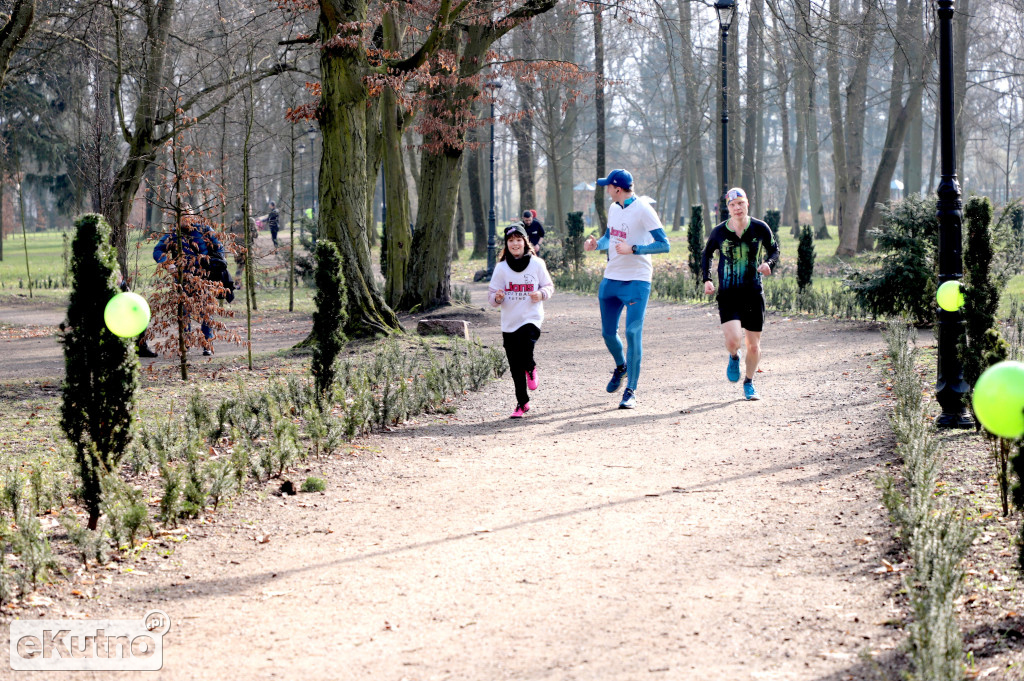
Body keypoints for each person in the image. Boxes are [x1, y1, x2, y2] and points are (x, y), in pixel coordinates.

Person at [583, 169, 670, 409]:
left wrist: (635, 249)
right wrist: (595, 244)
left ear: (617, 188)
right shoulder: (613, 208)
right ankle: (621, 366)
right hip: (611, 278)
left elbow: (664, 244)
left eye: (607, 187)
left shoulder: (643, 209)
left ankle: (631, 390)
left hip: (637, 281)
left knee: (632, 333)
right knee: (608, 334)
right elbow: (609, 237)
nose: (606, 190)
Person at [701, 187, 780, 401]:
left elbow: (774, 249)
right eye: (733, 205)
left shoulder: (760, 228)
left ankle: (749, 382)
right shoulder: (719, 232)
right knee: (734, 340)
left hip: (753, 293)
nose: (737, 208)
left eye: (741, 203)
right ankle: (733, 356)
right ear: (728, 208)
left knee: (753, 346)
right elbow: (707, 254)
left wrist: (768, 263)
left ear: (747, 204)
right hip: (728, 294)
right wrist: (707, 279)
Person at [488, 223, 554, 418]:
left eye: (518, 240)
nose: (515, 244)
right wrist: (498, 298)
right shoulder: (501, 268)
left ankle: (531, 367)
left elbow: (549, 287)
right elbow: (492, 298)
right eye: (511, 240)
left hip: (530, 318)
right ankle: (522, 403)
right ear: (506, 244)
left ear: (525, 242)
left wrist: (541, 294)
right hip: (509, 322)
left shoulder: (537, 264)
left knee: (526, 348)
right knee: (515, 366)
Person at [153, 214, 229, 356]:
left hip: (204, 278)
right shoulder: (173, 234)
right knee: (184, 312)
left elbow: (219, 247)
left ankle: (207, 344)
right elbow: (158, 250)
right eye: (182, 216)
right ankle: (185, 343)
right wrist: (168, 263)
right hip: (182, 279)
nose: (186, 219)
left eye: (188, 215)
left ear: (193, 216)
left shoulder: (204, 230)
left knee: (206, 311)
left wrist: (214, 263)